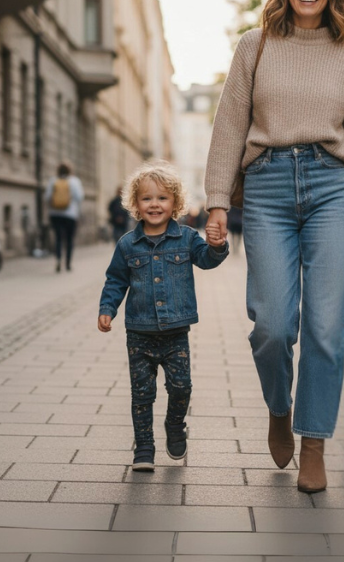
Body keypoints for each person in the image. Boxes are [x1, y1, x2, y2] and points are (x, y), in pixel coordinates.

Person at [204, 0, 344, 493]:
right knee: (272, 326)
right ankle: (277, 408)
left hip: (331, 187)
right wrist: (218, 200)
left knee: (325, 327)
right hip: (265, 186)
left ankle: (314, 444)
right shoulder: (255, 45)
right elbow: (228, 126)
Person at [98, 161, 229, 471]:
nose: (154, 204)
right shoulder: (127, 245)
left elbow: (206, 260)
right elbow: (116, 280)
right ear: (136, 204)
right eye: (146, 198)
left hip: (175, 333)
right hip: (139, 334)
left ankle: (174, 425)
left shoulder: (186, 238)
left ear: (175, 203)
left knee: (181, 387)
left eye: (162, 198)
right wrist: (107, 309)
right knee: (142, 394)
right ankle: (144, 448)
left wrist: (217, 246)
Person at [45, 161, 84, 272]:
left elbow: (47, 197)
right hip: (70, 215)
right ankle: (68, 263)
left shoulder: (53, 181)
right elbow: (80, 197)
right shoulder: (74, 181)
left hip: (55, 214)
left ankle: (58, 259)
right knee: (69, 239)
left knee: (58, 238)